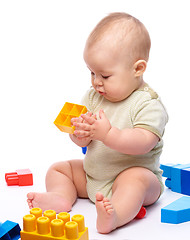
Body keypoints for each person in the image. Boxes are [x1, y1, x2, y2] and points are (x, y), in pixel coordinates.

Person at [27, 12, 168, 233]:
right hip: (94, 175)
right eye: (92, 72)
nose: (96, 82)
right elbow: (80, 139)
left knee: (136, 180)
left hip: (133, 178)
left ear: (137, 69)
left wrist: (108, 134)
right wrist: (79, 135)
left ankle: (116, 215)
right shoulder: (93, 97)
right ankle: (61, 197)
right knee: (60, 169)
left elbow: (144, 142)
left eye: (105, 75)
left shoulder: (148, 103)